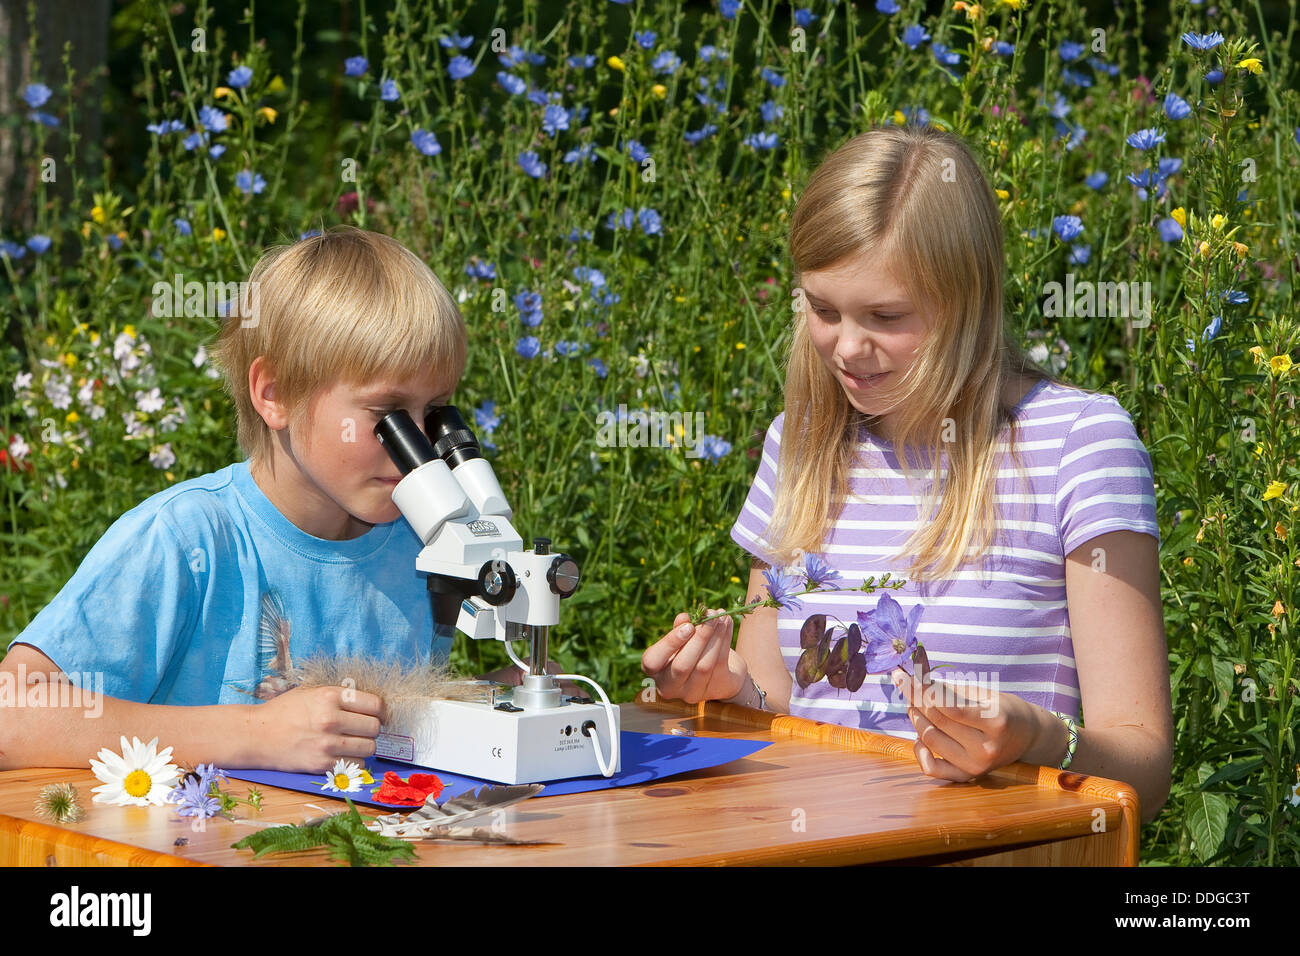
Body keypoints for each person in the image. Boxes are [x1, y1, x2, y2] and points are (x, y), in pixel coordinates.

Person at [642, 125, 1173, 823]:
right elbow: (778, 707)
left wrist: (1040, 739)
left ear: (967, 301)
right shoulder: (801, 443)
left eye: (886, 316)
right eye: (823, 310)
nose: (847, 348)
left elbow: (1145, 769)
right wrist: (726, 689)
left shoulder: (1076, 442)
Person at [0, 226, 521, 773]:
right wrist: (255, 734)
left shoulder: (422, 543)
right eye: (386, 415)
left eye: (435, 413)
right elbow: (14, 715)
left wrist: (501, 701)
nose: (418, 448)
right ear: (275, 394)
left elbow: (382, 733)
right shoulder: (188, 539)